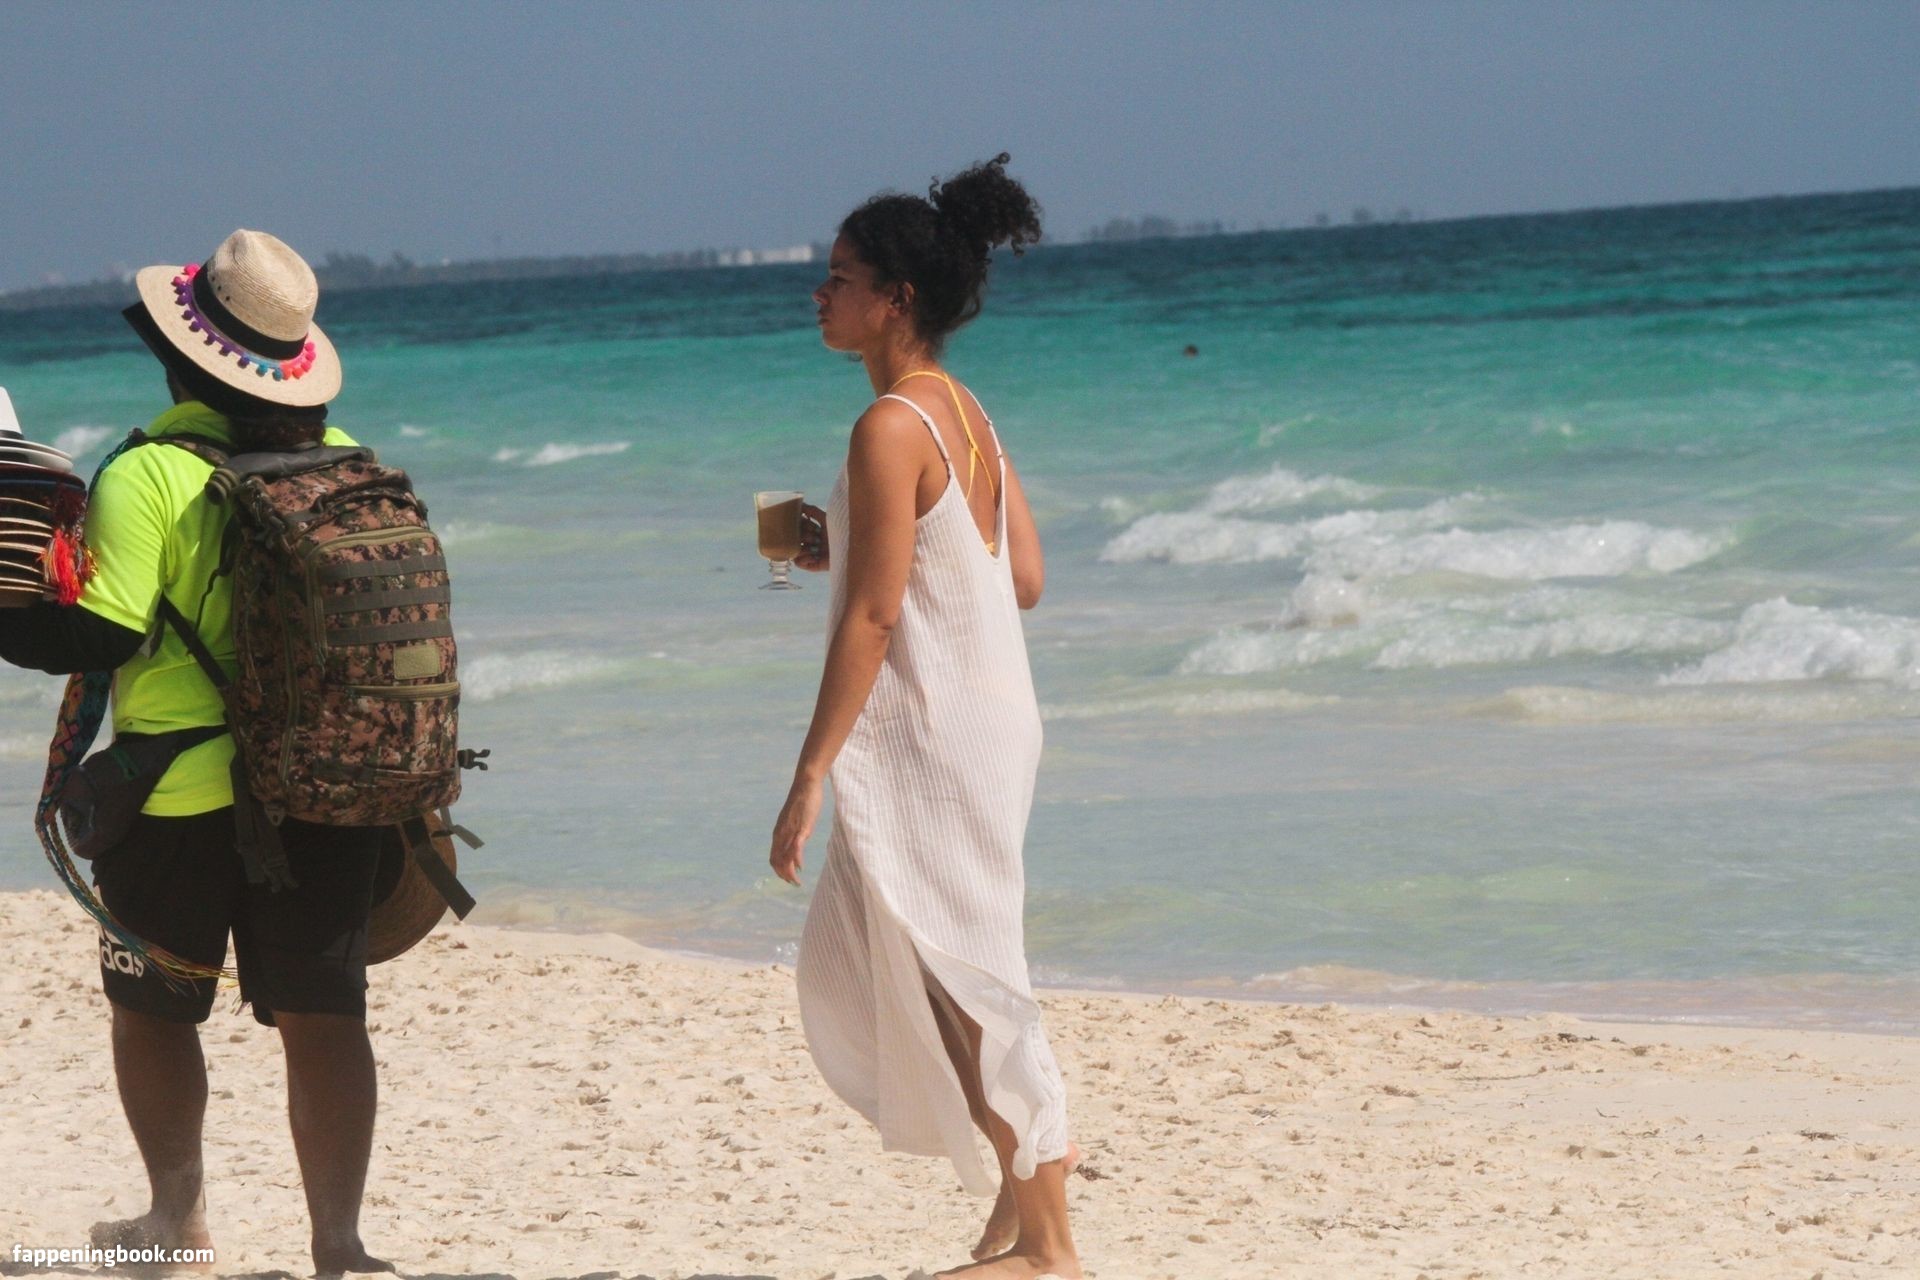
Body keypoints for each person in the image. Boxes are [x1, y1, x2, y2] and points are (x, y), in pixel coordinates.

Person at [0, 230, 391, 1276]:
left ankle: (177, 1219)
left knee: (152, 1007)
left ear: (180, 359)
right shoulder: (347, 459)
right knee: (325, 1014)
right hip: (326, 781)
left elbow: (99, 637)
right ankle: (342, 1246)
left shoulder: (148, 473)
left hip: (176, 797)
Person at [769, 154, 1082, 1280]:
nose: (820, 292)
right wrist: (849, 540)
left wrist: (811, 769)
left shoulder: (890, 427)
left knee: (971, 978)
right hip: (991, 718)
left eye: (840, 276)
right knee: (954, 968)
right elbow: (1022, 575)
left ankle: (1050, 1245)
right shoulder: (966, 412)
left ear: (895, 298)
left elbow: (875, 616)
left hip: (938, 733)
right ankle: (1020, 1208)